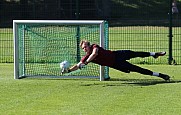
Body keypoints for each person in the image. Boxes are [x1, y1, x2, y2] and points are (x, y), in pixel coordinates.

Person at [64, 40, 170, 81]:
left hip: (116, 54)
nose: (84, 49)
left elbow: (94, 53)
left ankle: (154, 54)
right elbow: (77, 65)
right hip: (116, 63)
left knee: (134, 53)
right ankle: (161, 75)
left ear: (89, 45)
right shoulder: (85, 57)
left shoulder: (94, 47)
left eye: (85, 47)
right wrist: (68, 70)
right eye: (83, 48)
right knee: (137, 69)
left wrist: (86, 63)